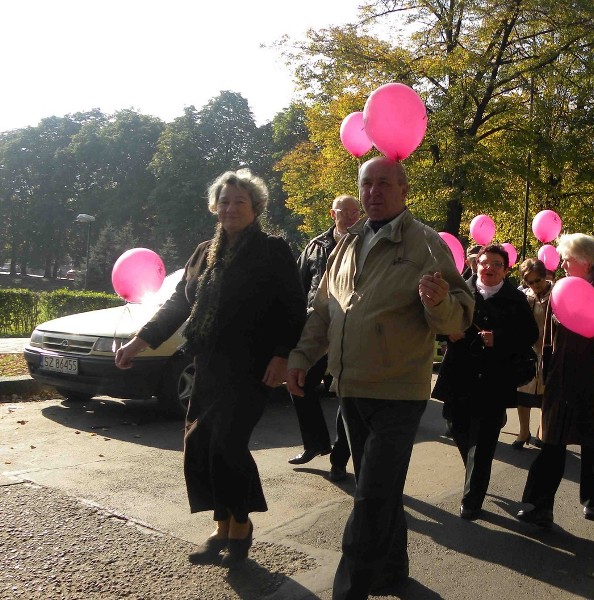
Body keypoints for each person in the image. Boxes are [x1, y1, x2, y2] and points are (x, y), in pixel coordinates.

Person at [286, 157, 474, 598]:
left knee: (370, 495)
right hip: (350, 386)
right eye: (366, 184)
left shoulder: (425, 243)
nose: (373, 192)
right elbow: (323, 310)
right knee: (380, 489)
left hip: (399, 391)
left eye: (384, 184)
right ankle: (392, 570)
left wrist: (438, 302)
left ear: (404, 190)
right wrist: (302, 356)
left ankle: (348, 590)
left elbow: (459, 316)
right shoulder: (346, 244)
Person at [115, 169, 307, 566]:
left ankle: (240, 526)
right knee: (200, 445)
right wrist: (139, 341)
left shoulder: (272, 250)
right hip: (206, 363)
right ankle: (222, 525)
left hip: (251, 366)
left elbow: (292, 307)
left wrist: (281, 355)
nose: (231, 208)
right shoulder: (204, 252)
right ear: (214, 207)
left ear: (255, 208)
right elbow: (177, 305)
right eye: (224, 201)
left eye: (240, 202)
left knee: (228, 444)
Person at [515, 233, 594, 528]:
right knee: (552, 441)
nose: (562, 264)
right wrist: (545, 370)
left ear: (587, 261)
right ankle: (537, 506)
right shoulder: (559, 288)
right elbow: (550, 336)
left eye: (567, 259)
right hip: (561, 376)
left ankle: (592, 501)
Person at [431, 246, 537, 521]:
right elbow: (432, 319)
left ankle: (472, 498)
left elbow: (529, 335)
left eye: (497, 264)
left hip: (495, 379)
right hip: (459, 375)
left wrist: (499, 338)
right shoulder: (459, 291)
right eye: (484, 263)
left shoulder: (515, 298)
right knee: (457, 427)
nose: (489, 268)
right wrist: (446, 332)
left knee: (485, 440)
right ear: (475, 264)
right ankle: (475, 473)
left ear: (506, 269)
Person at [289, 194, 361, 481]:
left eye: (357, 212)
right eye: (347, 212)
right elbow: (299, 285)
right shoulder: (316, 246)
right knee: (298, 382)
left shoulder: (365, 243)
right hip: (318, 327)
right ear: (333, 215)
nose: (353, 217)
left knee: (347, 396)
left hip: (349, 329)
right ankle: (315, 443)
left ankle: (339, 458)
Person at [513, 258, 553, 449]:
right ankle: (523, 431)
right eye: (530, 282)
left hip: (550, 351)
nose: (535, 285)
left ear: (545, 276)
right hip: (528, 353)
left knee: (547, 395)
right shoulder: (524, 297)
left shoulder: (558, 294)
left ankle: (542, 431)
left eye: (538, 280)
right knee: (523, 393)